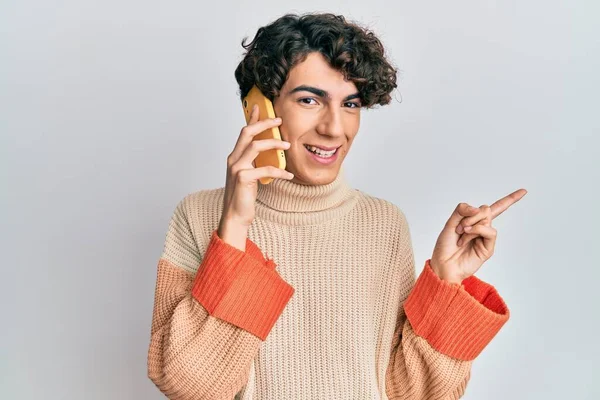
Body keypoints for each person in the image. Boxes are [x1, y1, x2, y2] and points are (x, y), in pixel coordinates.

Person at [146, 12, 527, 400]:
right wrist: (235, 229)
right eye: (310, 100)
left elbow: (410, 394)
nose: (334, 127)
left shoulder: (385, 223)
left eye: (350, 104)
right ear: (257, 107)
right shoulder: (199, 216)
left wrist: (445, 281)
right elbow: (189, 384)